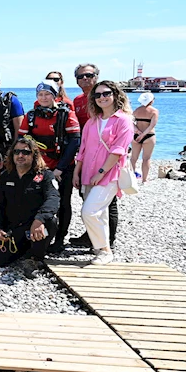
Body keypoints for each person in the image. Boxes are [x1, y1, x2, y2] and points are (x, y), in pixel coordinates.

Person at [73, 81, 133, 265]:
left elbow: (118, 150)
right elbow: (82, 149)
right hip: (87, 173)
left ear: (116, 95)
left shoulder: (123, 120)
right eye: (97, 95)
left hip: (109, 174)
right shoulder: (93, 121)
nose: (102, 97)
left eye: (106, 93)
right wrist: (77, 172)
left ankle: (105, 250)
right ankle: (101, 248)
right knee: (99, 213)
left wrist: (101, 172)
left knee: (89, 212)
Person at [18, 81, 81, 253]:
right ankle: (36, 236)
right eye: (40, 95)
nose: (44, 98)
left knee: (62, 203)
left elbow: (75, 142)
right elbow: (21, 140)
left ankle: (59, 239)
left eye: (47, 94)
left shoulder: (66, 115)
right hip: (38, 167)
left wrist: (60, 168)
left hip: (63, 167)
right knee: (36, 201)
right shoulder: (31, 116)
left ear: (54, 95)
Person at [0, 137, 60, 269]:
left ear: (34, 155)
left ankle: (35, 257)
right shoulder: (6, 176)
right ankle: (24, 248)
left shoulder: (45, 175)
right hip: (14, 227)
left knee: (50, 221)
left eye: (25, 152)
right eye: (16, 152)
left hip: (34, 225)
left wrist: (39, 220)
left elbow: (53, 199)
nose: (20, 155)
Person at [69, 64, 118, 249]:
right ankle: (92, 234)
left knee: (108, 199)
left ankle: (109, 240)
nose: (85, 79)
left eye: (89, 75)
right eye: (81, 77)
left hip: (107, 153)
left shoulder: (107, 98)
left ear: (96, 76)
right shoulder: (78, 100)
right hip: (86, 152)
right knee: (88, 196)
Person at [131, 92, 159, 183]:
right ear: (151, 101)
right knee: (146, 159)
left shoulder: (136, 110)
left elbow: (130, 123)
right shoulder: (154, 111)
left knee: (133, 158)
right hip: (149, 136)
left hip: (136, 135)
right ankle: (144, 179)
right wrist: (143, 134)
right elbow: (152, 126)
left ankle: (131, 178)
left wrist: (138, 132)